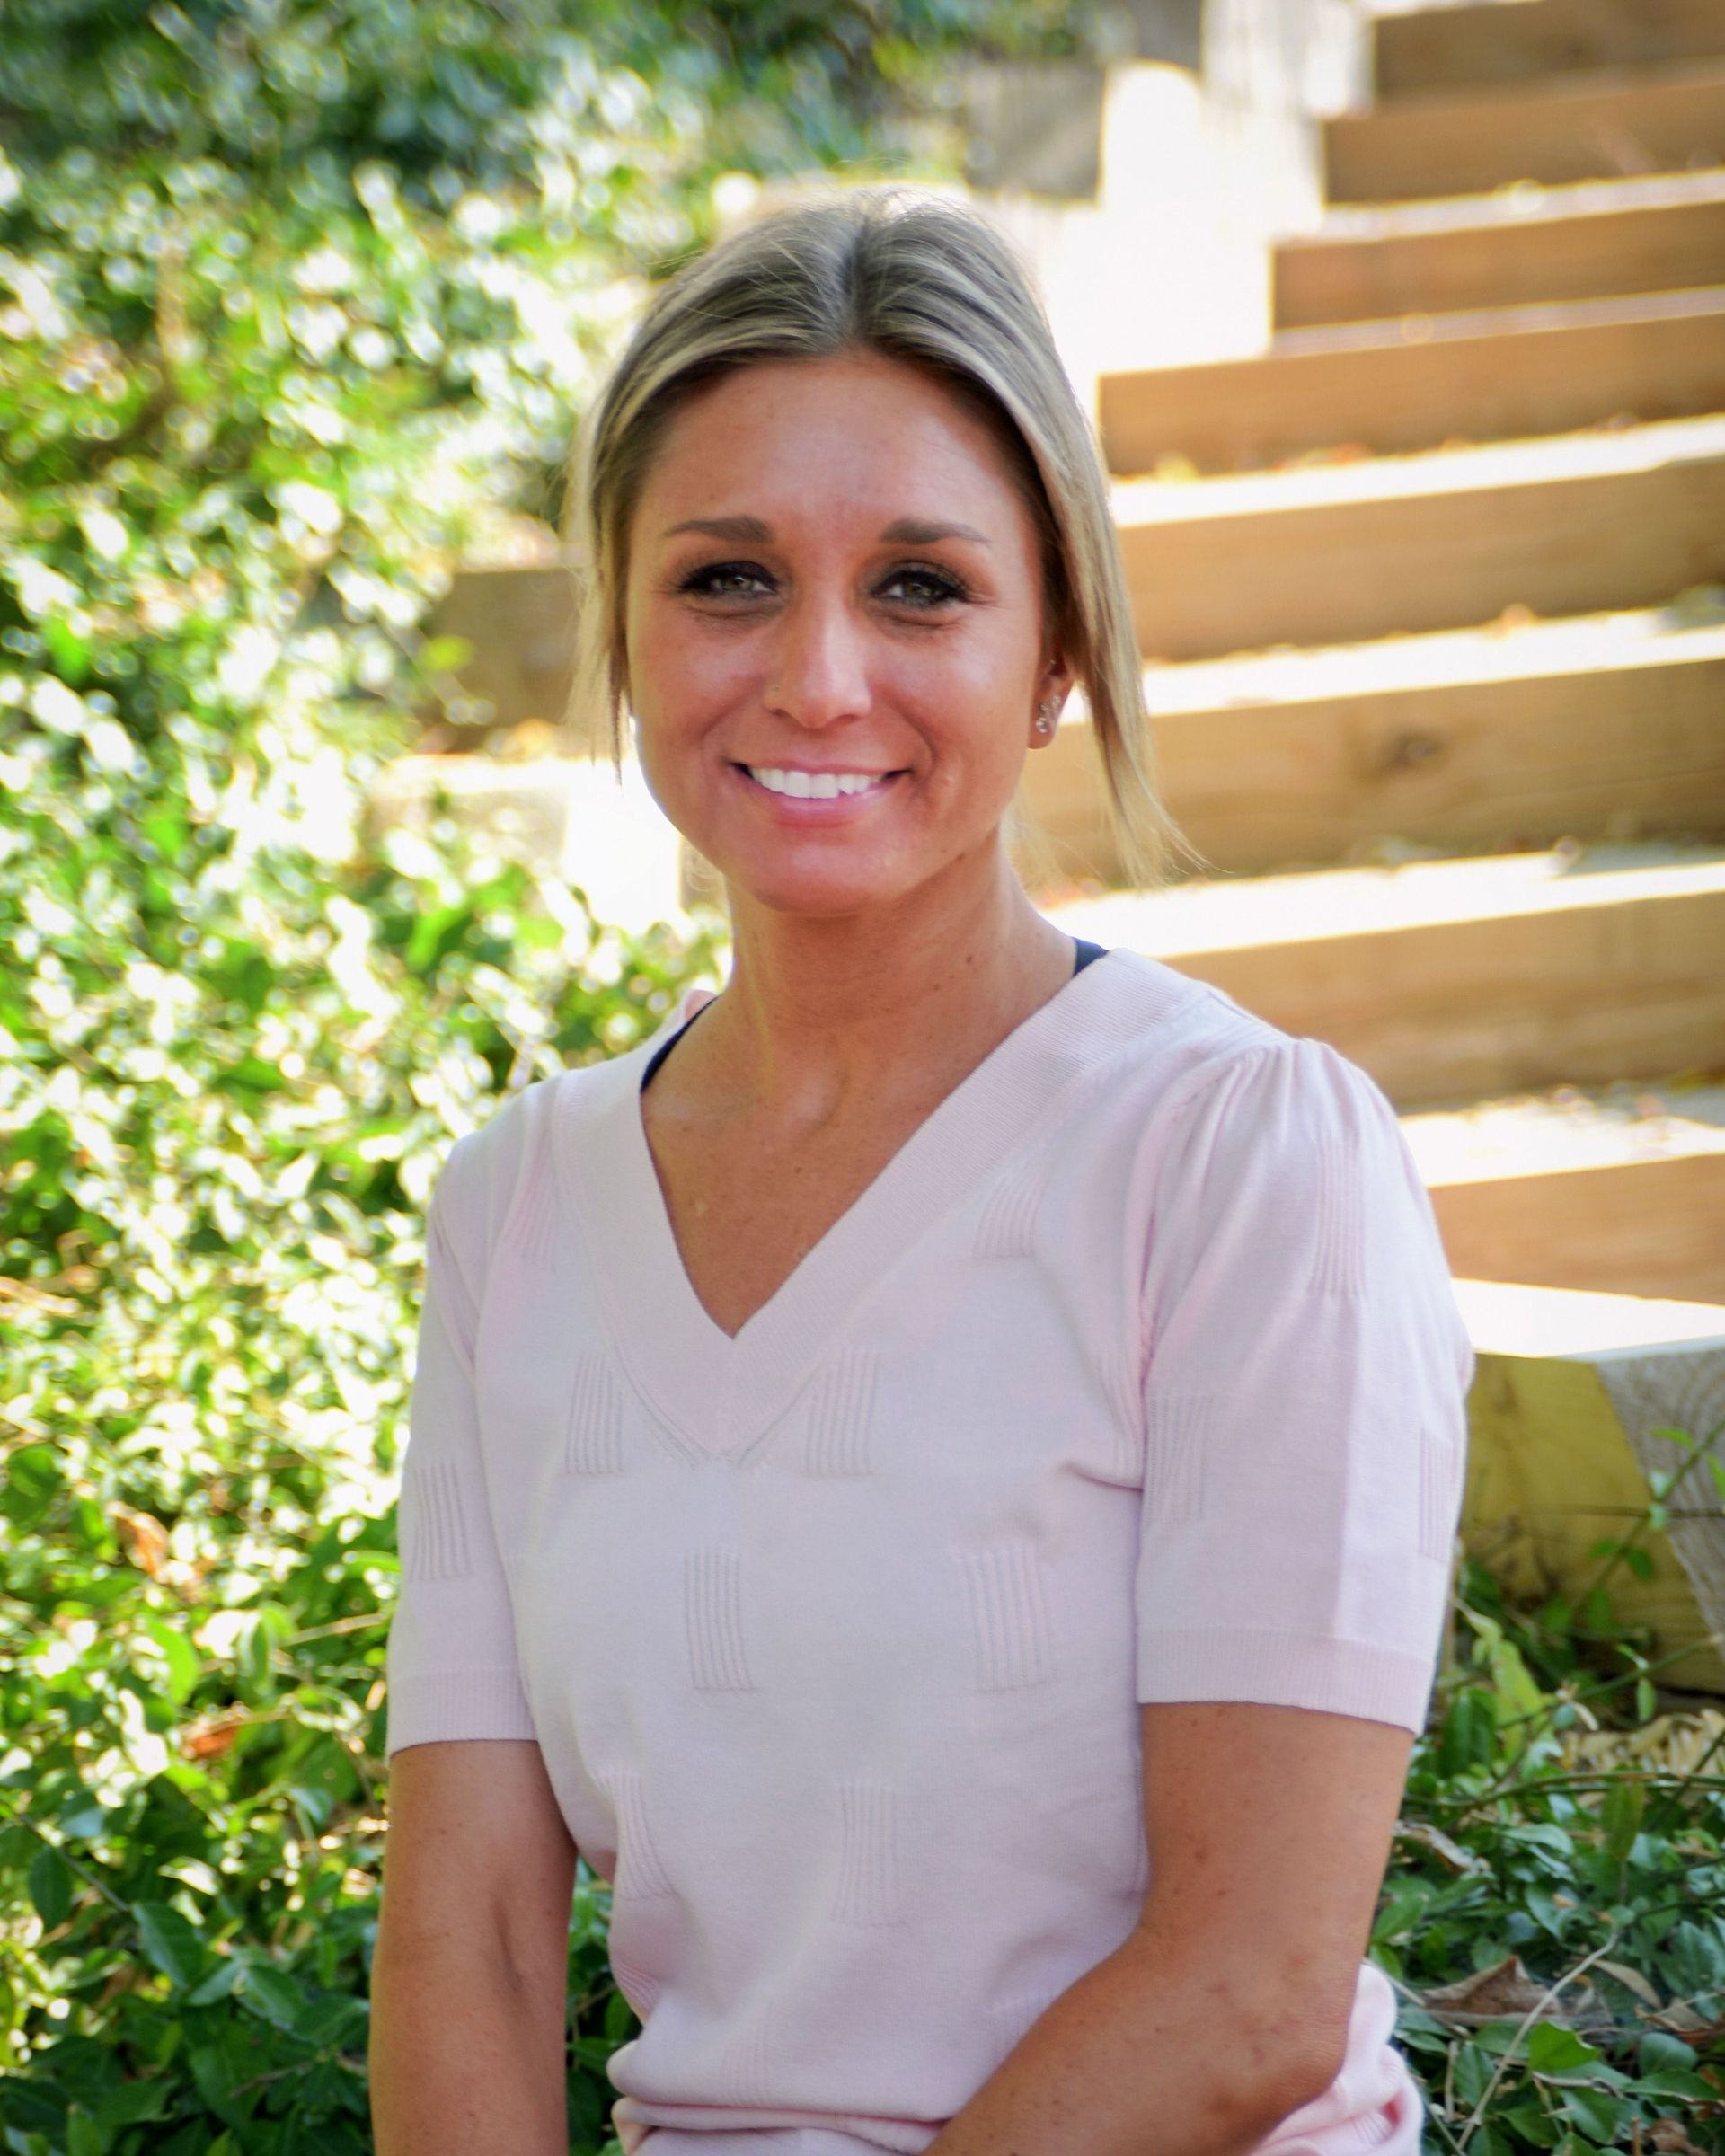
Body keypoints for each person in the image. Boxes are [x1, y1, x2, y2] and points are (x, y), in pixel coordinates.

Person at [368, 190, 1475, 2156]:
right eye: (724, 580)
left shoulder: (1236, 1159)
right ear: (621, 630)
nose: (812, 678)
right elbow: (471, 1945)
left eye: (919, 589)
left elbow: (1250, 1993)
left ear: (1057, 651)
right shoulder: (516, 1204)